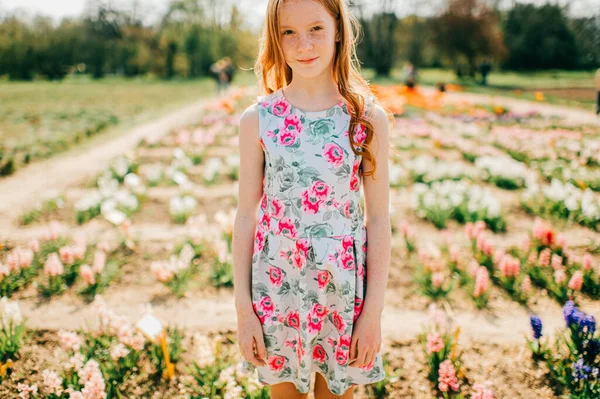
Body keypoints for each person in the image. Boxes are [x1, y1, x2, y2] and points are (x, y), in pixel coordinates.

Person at [232, 1, 391, 398]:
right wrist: (243, 309)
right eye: (289, 32)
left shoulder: (366, 118)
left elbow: (379, 221)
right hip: (277, 287)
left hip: (342, 294)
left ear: (339, 29)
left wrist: (372, 313)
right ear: (276, 39)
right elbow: (245, 216)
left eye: (316, 28)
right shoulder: (259, 119)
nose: (303, 44)